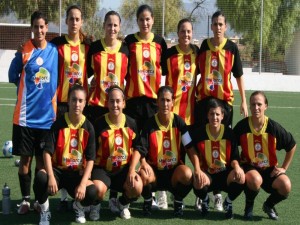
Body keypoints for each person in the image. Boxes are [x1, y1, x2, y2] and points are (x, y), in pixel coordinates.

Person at [194, 10, 248, 211]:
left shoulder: (232, 48)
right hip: (204, 104)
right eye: (214, 24)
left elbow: (239, 76)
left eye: (220, 24)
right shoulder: (204, 46)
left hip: (224, 105)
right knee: (203, 144)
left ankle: (217, 194)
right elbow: (196, 74)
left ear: (225, 27)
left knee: (223, 146)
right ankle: (203, 189)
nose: (217, 27)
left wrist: (243, 101)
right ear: (211, 26)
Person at [8, 10, 58, 215]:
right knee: (25, 162)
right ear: (32, 28)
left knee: (41, 164)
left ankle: (39, 201)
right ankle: (26, 200)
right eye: (35, 26)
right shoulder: (24, 50)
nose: (39, 30)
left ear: (47, 28)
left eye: (42, 26)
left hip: (47, 119)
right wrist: (17, 56)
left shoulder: (55, 51)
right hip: (25, 118)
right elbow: (12, 76)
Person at [33, 84, 98, 225]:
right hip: (58, 172)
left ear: (85, 103)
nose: (77, 104)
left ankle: (78, 207)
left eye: (80, 100)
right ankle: (45, 211)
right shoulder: (58, 124)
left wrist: (82, 184)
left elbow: (91, 159)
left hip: (76, 174)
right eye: (74, 100)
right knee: (40, 178)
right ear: (68, 101)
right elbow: (47, 152)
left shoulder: (89, 127)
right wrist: (50, 176)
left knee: (93, 191)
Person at [124, 4, 168, 210]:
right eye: (141, 19)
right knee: (130, 144)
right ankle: (125, 189)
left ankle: (159, 192)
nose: (145, 23)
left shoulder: (160, 42)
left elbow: (167, 70)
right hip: (132, 103)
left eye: (148, 19)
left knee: (155, 147)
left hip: (152, 103)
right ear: (137, 21)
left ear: (153, 20)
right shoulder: (129, 41)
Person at [86, 10, 129, 213]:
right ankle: (90, 195)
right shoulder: (94, 48)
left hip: (116, 110)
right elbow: (85, 75)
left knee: (117, 150)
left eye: (115, 25)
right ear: (104, 26)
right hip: (97, 108)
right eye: (109, 24)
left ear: (119, 27)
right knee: (96, 153)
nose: (112, 28)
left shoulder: (126, 50)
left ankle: (113, 198)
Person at [135, 86, 200, 217]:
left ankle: (177, 201)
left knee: (188, 174)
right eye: (162, 100)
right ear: (157, 102)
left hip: (173, 173)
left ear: (172, 102)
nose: (165, 104)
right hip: (154, 172)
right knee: (143, 174)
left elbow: (190, 148)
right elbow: (141, 148)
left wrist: (197, 168)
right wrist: (143, 162)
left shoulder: (179, 122)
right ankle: (148, 201)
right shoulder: (149, 124)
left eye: (168, 100)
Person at [50, 4, 91, 211]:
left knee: (79, 147)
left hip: (80, 105)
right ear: (65, 21)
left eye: (77, 19)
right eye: (71, 19)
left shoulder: (88, 46)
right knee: (61, 147)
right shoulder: (57, 44)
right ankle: (64, 194)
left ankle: (78, 189)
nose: (74, 22)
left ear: (81, 22)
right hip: (62, 104)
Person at [233, 91, 296, 220]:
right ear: (249, 107)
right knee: (255, 180)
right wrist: (237, 165)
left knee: (286, 185)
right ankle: (249, 206)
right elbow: (231, 145)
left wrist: (284, 168)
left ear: (265, 106)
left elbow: (292, 145)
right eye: (253, 104)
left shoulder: (274, 128)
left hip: (269, 170)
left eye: (259, 104)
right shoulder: (242, 126)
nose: (256, 108)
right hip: (249, 168)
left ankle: (268, 205)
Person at [91, 86, 143, 220]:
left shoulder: (131, 123)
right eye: (112, 101)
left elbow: (138, 147)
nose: (115, 105)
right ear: (107, 103)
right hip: (103, 169)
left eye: (118, 101)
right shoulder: (99, 123)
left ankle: (122, 203)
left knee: (137, 186)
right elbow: (91, 150)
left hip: (123, 170)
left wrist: (134, 169)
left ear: (124, 103)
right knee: (97, 189)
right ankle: (95, 205)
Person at [165, 18, 199, 210]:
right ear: (177, 33)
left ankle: (199, 193)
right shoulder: (169, 54)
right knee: (169, 154)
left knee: (191, 155)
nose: (186, 35)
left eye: (189, 32)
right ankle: (162, 190)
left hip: (191, 117)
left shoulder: (197, 54)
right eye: (182, 31)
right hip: (172, 117)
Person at [191, 97, 245, 219]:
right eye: (211, 114)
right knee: (196, 180)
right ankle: (205, 200)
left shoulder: (229, 134)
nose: (214, 117)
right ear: (207, 116)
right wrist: (197, 168)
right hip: (208, 175)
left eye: (217, 114)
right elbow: (192, 151)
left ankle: (228, 202)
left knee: (241, 177)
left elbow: (235, 157)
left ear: (222, 116)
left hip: (225, 175)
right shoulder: (199, 133)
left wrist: (237, 167)